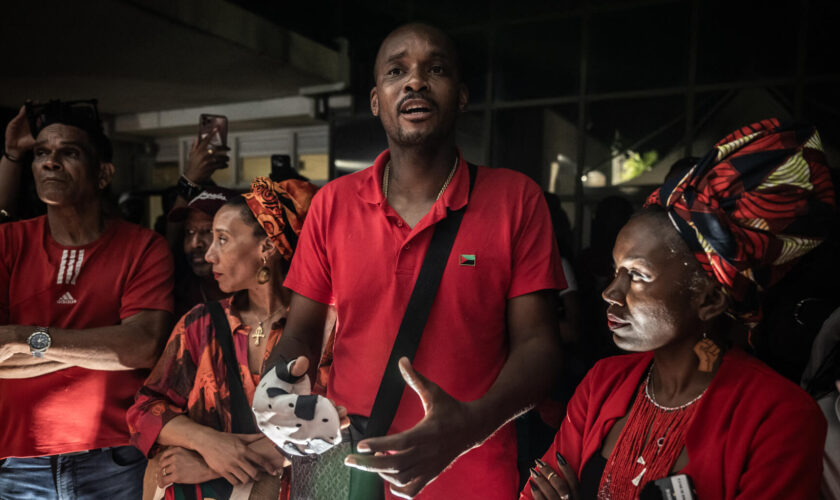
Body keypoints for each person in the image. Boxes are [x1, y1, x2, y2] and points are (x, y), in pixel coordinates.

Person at [268, 23, 564, 499]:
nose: (415, 82)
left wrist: (470, 426)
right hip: (349, 472)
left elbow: (539, 345)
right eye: (397, 71)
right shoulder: (333, 203)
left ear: (462, 96)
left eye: (437, 69)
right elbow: (302, 329)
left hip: (472, 472)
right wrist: (278, 387)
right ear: (375, 100)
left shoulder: (515, 199)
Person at [522, 119, 834, 500]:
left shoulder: (780, 417)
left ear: (710, 299)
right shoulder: (602, 384)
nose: (610, 293)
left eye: (637, 275)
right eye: (616, 271)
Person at [0, 99, 174, 499]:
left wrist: (19, 339)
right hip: (18, 459)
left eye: (69, 153)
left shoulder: (143, 247)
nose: (50, 162)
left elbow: (142, 347)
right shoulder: (9, 243)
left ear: (103, 174)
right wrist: (97, 346)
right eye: (42, 152)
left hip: (113, 455)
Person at [127, 177, 319, 500]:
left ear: (267, 247)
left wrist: (210, 464)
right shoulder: (199, 325)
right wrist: (208, 443)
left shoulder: (318, 329)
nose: (209, 254)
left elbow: (329, 423)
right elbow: (144, 409)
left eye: (222, 239)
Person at [168, 185, 236, 318]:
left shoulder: (260, 296)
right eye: (190, 232)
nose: (195, 244)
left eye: (208, 231)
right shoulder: (180, 295)